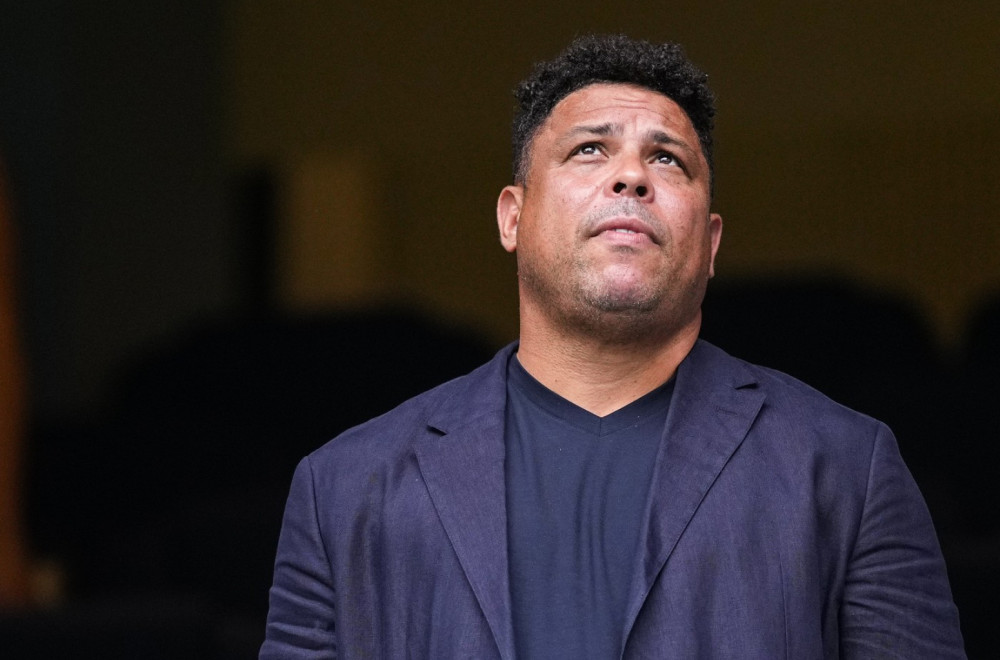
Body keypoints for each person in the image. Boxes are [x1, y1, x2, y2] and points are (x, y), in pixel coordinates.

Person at [260, 35, 965, 659]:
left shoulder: (846, 470)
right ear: (512, 217)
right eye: (589, 150)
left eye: (668, 159)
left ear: (710, 244)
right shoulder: (343, 489)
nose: (631, 177)